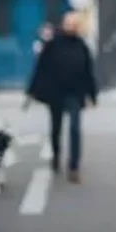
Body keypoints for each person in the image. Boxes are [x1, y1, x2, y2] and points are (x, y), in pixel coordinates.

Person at [26, 11, 97, 182]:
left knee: (74, 128)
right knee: (56, 128)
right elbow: (41, 68)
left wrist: (92, 94)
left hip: (75, 93)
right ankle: (56, 155)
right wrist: (32, 90)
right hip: (55, 93)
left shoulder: (82, 46)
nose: (72, 27)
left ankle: (74, 166)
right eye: (69, 24)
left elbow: (88, 71)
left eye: (75, 24)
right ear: (64, 25)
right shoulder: (53, 44)